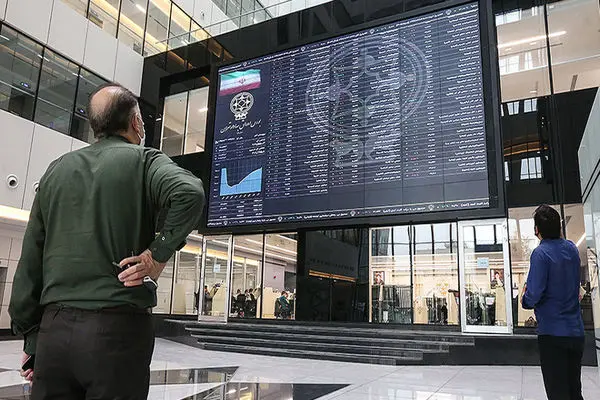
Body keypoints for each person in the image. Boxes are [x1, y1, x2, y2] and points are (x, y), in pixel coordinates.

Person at [8, 83, 205, 399]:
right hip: (117, 332)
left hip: (54, 332)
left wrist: (32, 340)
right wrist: (156, 254)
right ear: (136, 123)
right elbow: (189, 192)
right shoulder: (145, 161)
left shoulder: (56, 171)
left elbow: (32, 257)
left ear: (95, 126)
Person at [522, 205, 585, 400]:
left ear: (536, 230)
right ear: (559, 227)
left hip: (552, 333)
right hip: (576, 332)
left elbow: (534, 294)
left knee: (558, 393)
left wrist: (525, 299)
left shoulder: (540, 253)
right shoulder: (572, 248)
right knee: (574, 391)